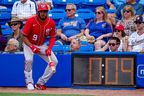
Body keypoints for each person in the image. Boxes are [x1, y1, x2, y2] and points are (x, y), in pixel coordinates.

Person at [22, 3, 58, 90]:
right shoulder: (31, 21)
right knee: (29, 60)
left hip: (41, 45)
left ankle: (40, 83)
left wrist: (49, 48)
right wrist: (31, 46)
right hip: (29, 43)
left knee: (54, 61)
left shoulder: (51, 22)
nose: (43, 13)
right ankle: (29, 82)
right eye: (41, 11)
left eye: (45, 11)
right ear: (38, 12)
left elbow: (53, 36)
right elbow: (24, 36)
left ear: (47, 12)